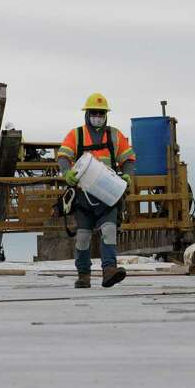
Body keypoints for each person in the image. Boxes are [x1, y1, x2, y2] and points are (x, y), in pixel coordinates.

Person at [56, 93, 136, 288]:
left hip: (108, 195)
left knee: (109, 230)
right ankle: (83, 275)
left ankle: (109, 270)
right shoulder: (76, 135)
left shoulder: (115, 135)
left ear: (106, 115)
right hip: (84, 197)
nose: (97, 116)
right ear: (87, 114)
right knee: (83, 237)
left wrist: (127, 175)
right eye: (94, 113)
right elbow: (63, 156)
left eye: (101, 113)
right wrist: (67, 173)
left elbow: (128, 159)